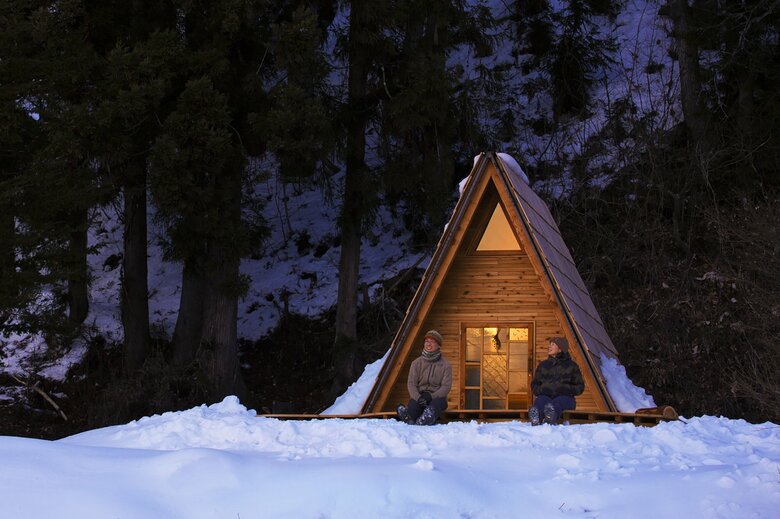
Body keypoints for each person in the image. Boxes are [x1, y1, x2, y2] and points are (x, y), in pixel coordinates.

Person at [396, 330, 452, 425]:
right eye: (427, 341)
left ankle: (425, 418)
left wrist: (431, 396)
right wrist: (418, 398)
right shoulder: (416, 363)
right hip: (420, 396)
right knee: (413, 405)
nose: (429, 344)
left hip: (437, 398)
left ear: (438, 345)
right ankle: (408, 417)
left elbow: (446, 387)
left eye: (432, 341)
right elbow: (411, 384)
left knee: (435, 405)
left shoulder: (445, 365)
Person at [528, 337, 585, 425]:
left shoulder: (572, 366)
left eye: (553, 345)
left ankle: (551, 416)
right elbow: (534, 384)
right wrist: (542, 390)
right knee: (540, 401)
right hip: (546, 396)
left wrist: (566, 389)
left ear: (560, 348)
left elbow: (580, 387)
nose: (549, 347)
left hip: (565, 398)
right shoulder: (543, 366)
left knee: (556, 404)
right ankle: (536, 417)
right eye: (549, 344)